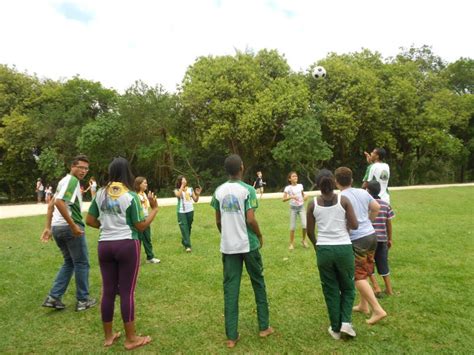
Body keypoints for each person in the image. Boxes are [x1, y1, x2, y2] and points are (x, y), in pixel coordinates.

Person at [86, 157, 158, 350]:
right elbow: (140, 225)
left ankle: (109, 337)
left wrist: (107, 225)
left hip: (105, 245)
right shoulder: (131, 196)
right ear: (128, 172)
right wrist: (155, 209)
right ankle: (131, 338)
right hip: (127, 244)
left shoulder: (100, 193)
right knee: (127, 292)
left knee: (108, 291)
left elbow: (90, 220)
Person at [211, 154, 274, 348]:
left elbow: (219, 221)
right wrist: (260, 235)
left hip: (229, 247)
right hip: (249, 245)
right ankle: (264, 327)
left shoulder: (218, 191)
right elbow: (251, 219)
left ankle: (231, 336)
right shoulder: (248, 190)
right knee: (258, 283)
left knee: (231, 289)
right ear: (242, 167)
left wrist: (226, 234)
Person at [306, 169, 359, 340]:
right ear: (334, 182)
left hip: (324, 250)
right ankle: (345, 323)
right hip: (343, 248)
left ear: (318, 184)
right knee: (348, 288)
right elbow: (355, 225)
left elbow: (309, 231)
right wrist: (345, 228)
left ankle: (335, 329)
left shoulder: (312, 204)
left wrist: (317, 246)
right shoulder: (343, 200)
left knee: (330, 290)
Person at [40, 155, 96, 311]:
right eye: (81, 167)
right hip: (69, 227)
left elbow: (51, 204)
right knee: (81, 263)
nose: (83, 171)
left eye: (86, 168)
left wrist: (48, 227)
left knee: (69, 262)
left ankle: (53, 297)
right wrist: (73, 225)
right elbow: (57, 202)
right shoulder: (72, 181)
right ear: (72, 166)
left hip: (58, 228)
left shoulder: (63, 182)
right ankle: (83, 300)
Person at [335, 167, 387, 325]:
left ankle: (378, 310)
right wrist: (369, 221)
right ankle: (364, 306)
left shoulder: (340, 198)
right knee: (366, 270)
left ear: (336, 182)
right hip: (372, 236)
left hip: (357, 239)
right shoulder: (363, 192)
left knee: (357, 276)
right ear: (351, 180)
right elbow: (376, 207)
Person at [366, 180, 395, 297]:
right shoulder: (385, 205)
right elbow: (389, 224)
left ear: (367, 191)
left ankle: (375, 286)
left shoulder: (367, 205)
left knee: (368, 263)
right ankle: (389, 289)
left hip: (370, 240)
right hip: (383, 240)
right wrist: (390, 239)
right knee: (383, 263)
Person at [135, 176, 160, 264]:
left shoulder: (144, 194)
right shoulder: (136, 195)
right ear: (139, 184)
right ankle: (135, 259)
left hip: (146, 218)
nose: (146, 184)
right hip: (139, 219)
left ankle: (150, 257)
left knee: (147, 238)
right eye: (144, 183)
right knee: (138, 240)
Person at [174, 175, 201, 252]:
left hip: (190, 210)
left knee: (188, 227)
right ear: (180, 182)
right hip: (181, 212)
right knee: (184, 227)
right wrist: (182, 186)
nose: (185, 181)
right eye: (183, 180)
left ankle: (184, 241)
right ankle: (188, 246)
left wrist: (198, 194)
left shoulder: (190, 189)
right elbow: (178, 195)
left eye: (185, 180)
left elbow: (195, 200)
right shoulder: (177, 190)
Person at [282, 171, 309, 249]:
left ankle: (304, 240)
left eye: (296, 176)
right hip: (293, 209)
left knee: (305, 225)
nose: (295, 177)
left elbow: (303, 195)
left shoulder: (300, 186)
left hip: (301, 208)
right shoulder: (288, 188)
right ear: (289, 179)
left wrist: (305, 196)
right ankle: (291, 244)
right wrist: (291, 197)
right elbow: (283, 199)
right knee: (292, 227)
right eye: (293, 176)